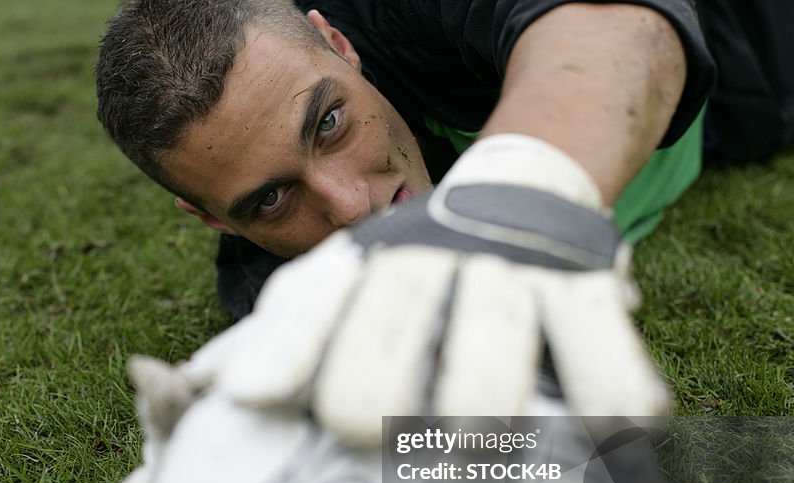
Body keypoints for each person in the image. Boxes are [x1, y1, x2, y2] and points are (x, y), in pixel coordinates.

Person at [95, 0, 792, 320]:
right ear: (213, 219)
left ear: (337, 43)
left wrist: (497, 221)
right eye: (272, 201)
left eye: (329, 124)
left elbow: (616, 32)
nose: (348, 205)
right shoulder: (288, 299)